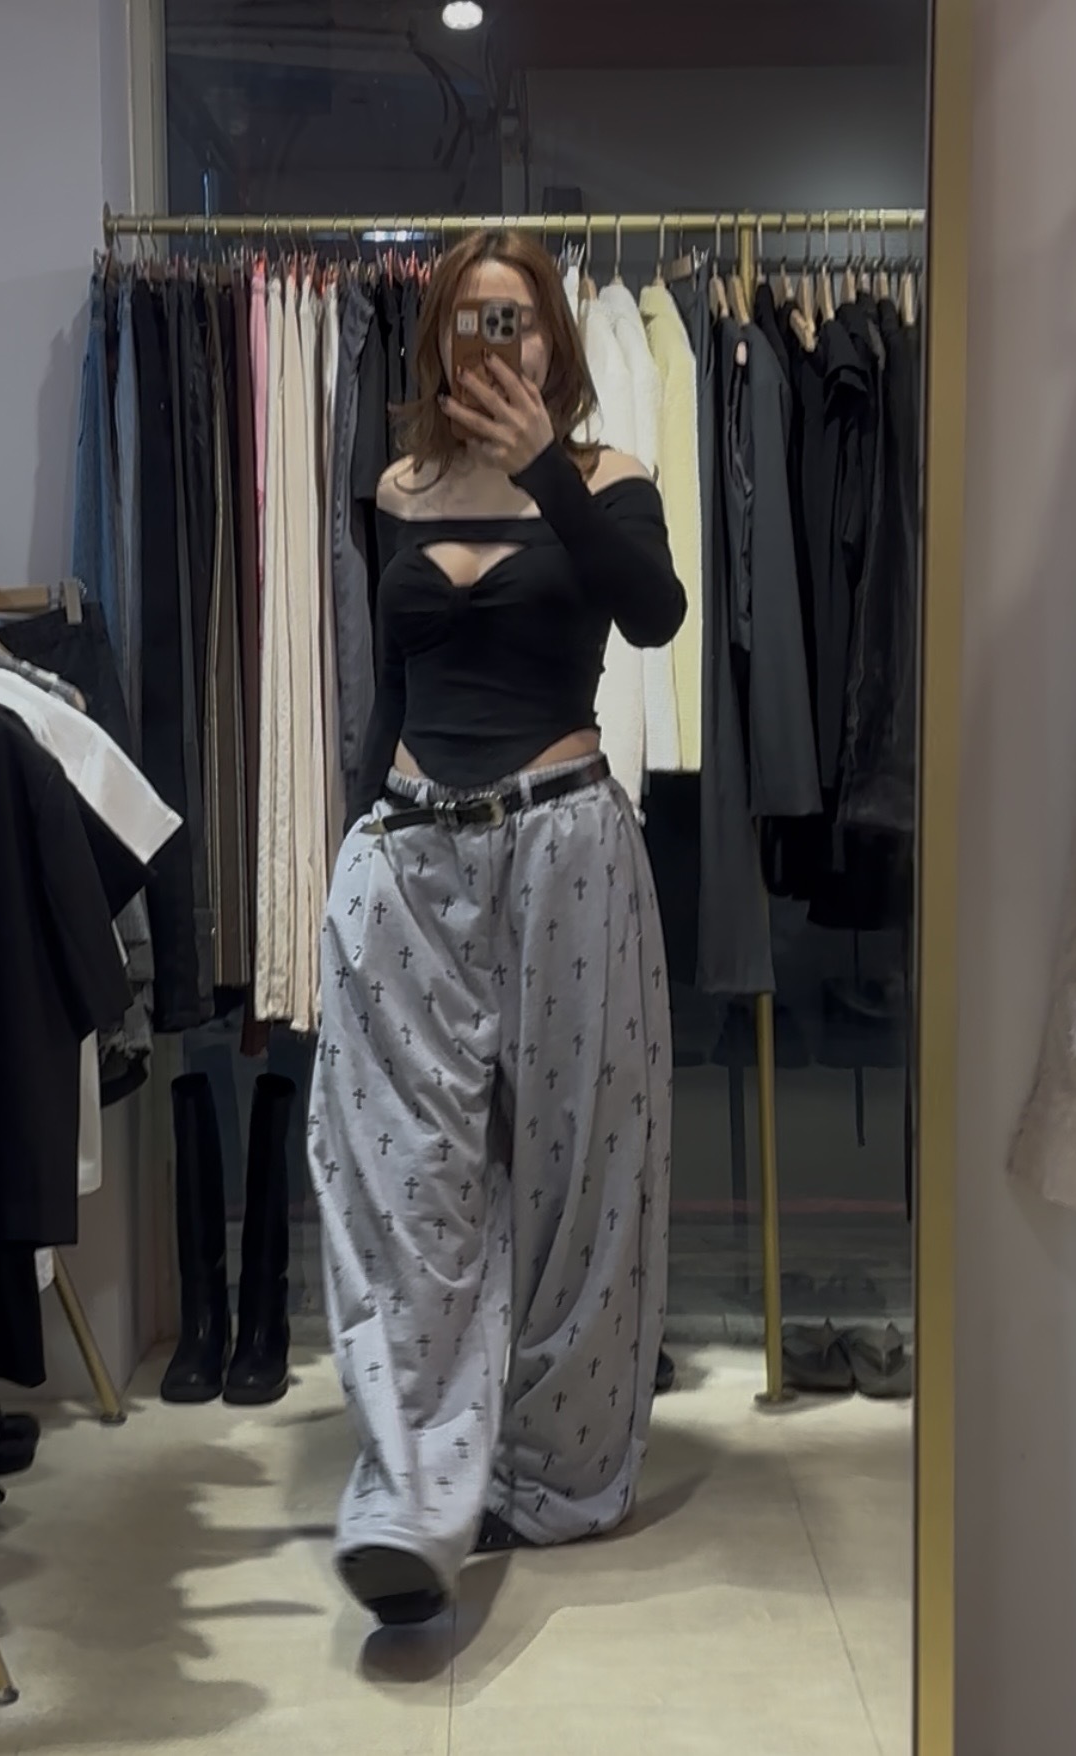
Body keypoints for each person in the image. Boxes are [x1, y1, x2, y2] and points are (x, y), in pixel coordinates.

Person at [306, 228, 687, 1627]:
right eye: (471, 317)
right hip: (408, 856)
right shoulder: (394, 491)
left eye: (516, 318)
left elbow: (655, 617)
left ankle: (556, 1473)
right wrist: (352, 845)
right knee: (402, 1181)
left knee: (582, 1178)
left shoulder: (609, 477)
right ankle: (410, 1495)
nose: (495, 339)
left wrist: (546, 471)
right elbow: (394, 688)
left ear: (554, 341)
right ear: (436, 340)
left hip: (566, 845)